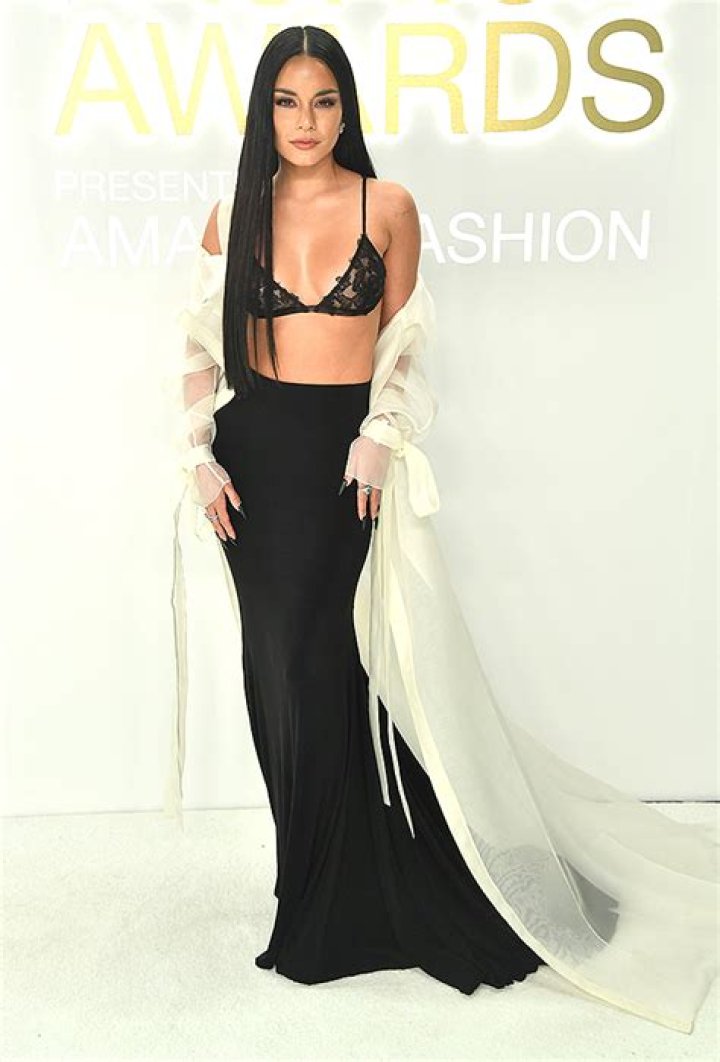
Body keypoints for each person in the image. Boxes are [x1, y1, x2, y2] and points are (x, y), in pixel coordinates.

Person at [163, 25, 718, 1033]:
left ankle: (352, 889)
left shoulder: (389, 206)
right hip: (252, 466)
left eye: (323, 100)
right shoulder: (232, 213)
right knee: (274, 665)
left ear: (347, 109)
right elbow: (201, 346)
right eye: (286, 101)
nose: (304, 121)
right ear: (263, 111)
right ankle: (312, 876)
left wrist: (380, 435)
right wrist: (197, 453)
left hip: (342, 463)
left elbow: (405, 345)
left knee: (319, 664)